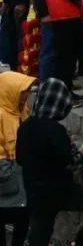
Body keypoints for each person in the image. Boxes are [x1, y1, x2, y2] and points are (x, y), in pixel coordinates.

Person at [17, 78, 83, 246]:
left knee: (39, 235)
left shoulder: (25, 126)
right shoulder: (55, 131)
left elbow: (20, 159)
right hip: (61, 192)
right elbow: (69, 162)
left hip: (35, 194)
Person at [0, 70, 34, 246]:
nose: (27, 95)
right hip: (7, 183)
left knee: (22, 223)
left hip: (21, 185)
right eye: (23, 91)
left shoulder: (23, 112)